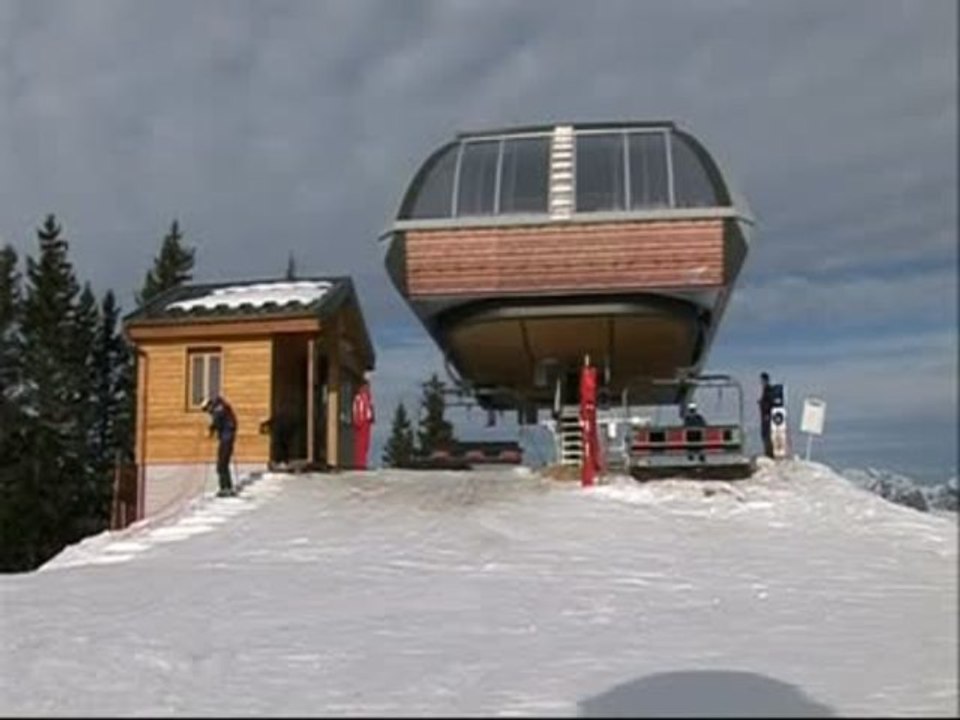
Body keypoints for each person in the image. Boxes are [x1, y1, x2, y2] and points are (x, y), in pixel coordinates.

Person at [203, 395, 238, 496]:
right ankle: (226, 487)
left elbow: (217, 420)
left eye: (206, 410)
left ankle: (226, 488)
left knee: (222, 464)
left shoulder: (219, 409)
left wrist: (212, 429)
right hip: (226, 438)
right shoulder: (221, 408)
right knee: (223, 464)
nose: (208, 412)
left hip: (226, 439)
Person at [352, 373, 375, 470]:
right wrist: (358, 421)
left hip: (367, 422)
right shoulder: (359, 398)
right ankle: (360, 464)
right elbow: (357, 410)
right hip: (361, 422)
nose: (368, 388)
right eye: (366, 386)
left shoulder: (368, 398)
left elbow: (370, 409)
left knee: (366, 444)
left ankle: (363, 462)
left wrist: (372, 417)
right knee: (360, 444)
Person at [758, 372, 775, 458]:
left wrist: (763, 404)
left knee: (766, 434)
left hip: (767, 416)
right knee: (765, 434)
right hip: (765, 416)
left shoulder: (768, 390)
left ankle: (769, 452)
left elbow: (769, 403)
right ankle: (767, 451)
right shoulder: (766, 390)